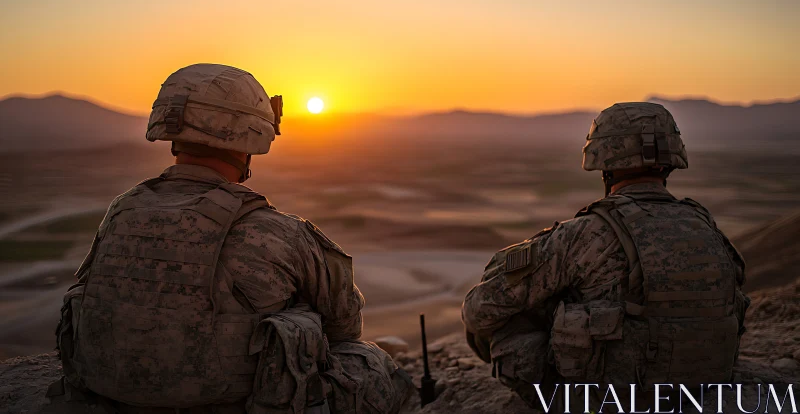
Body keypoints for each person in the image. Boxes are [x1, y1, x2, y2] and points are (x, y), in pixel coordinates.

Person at [49, 64, 413, 414]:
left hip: (114, 400)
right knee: (372, 363)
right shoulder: (276, 231)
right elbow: (344, 327)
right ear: (251, 135)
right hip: (234, 405)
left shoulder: (121, 211)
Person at [461, 102, 750, 411]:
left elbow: (479, 309)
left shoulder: (585, 234)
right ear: (670, 160)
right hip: (702, 394)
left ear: (602, 160)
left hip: (609, 403)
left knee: (511, 318)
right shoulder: (708, 228)